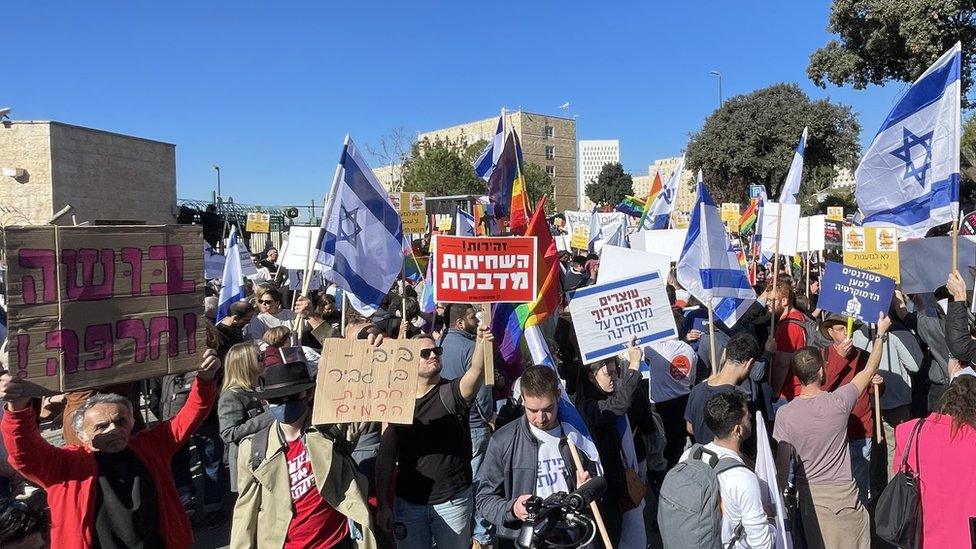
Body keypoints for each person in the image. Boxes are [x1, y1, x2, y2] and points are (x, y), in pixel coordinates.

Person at [0, 349, 221, 549]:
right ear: (82, 434)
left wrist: (205, 380)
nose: (113, 429)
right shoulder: (65, 466)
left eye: (120, 421)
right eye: (101, 426)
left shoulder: (150, 446)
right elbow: (24, 451)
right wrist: (18, 408)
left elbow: (191, 415)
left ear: (132, 422)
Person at [231, 352, 377, 549]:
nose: (283, 405)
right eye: (275, 400)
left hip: (335, 541)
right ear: (266, 402)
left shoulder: (332, 430)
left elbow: (365, 396)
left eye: (291, 397)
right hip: (285, 543)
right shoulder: (253, 449)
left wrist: (368, 352)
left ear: (308, 394)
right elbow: (245, 509)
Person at [773, 313, 889, 549]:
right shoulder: (838, 402)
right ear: (822, 372)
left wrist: (776, 502)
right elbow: (869, 369)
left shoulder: (784, 415)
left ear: (796, 376)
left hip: (811, 499)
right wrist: (880, 334)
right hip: (843, 495)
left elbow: (783, 465)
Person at [375, 328, 493, 549]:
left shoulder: (453, 392)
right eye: (425, 353)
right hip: (408, 504)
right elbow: (386, 457)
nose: (433, 355)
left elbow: (477, 370)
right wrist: (383, 505)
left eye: (436, 351)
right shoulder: (395, 401)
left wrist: (481, 342)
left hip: (453, 501)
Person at [475, 366, 599, 549]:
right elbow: (484, 499)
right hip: (524, 539)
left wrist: (585, 490)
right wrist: (513, 509)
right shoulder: (503, 441)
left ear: (558, 395)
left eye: (547, 409)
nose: (541, 418)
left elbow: (598, 480)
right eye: (532, 410)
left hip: (572, 536)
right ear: (522, 399)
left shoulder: (576, 435)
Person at [571, 341, 646, 547]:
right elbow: (619, 405)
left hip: (619, 483)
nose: (614, 379)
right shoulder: (587, 407)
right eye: (608, 374)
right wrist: (634, 365)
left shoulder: (608, 396)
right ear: (591, 377)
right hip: (604, 489)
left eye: (615, 373)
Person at [678, 391, 775, 548]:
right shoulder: (743, 478)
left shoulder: (689, 456)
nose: (750, 420)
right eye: (748, 418)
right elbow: (763, 544)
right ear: (738, 430)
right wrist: (770, 519)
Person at [893, 370, 976, 547]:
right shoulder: (972, 440)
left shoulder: (909, 432)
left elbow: (899, 471)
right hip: (966, 537)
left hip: (920, 535)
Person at [437, 303, 495, 548]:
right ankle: (480, 536)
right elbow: (480, 392)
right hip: (474, 425)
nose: (477, 319)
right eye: (473, 317)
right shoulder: (472, 348)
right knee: (479, 481)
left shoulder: (437, 346)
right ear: (460, 323)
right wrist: (488, 416)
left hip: (447, 426)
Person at [819, 314, 881, 505]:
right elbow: (822, 387)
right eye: (840, 328)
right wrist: (839, 358)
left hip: (860, 428)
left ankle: (860, 513)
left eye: (848, 328)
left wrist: (877, 383)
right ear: (830, 332)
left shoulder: (863, 356)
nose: (846, 332)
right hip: (832, 431)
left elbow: (873, 391)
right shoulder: (822, 355)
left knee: (860, 480)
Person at [684, 332, 760, 448]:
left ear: (725, 355)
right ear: (749, 363)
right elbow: (743, 435)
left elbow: (690, 428)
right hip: (727, 461)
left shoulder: (696, 390)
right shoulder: (736, 400)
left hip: (700, 458)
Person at [217, 342, 273, 492]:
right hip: (249, 463)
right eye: (260, 357)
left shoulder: (264, 384)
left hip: (270, 458)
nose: (265, 360)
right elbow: (228, 433)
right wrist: (270, 415)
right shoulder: (231, 396)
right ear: (246, 364)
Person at [644, 338, 697, 468]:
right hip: (685, 399)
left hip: (663, 407)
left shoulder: (655, 348)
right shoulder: (689, 350)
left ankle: (672, 473)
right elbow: (692, 379)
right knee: (682, 440)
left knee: (669, 447)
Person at [768, 279, 808, 403]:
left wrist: (775, 393)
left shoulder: (788, 326)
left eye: (771, 301)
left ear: (784, 301)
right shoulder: (799, 316)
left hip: (788, 393)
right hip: (799, 389)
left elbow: (782, 363)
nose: (767, 303)